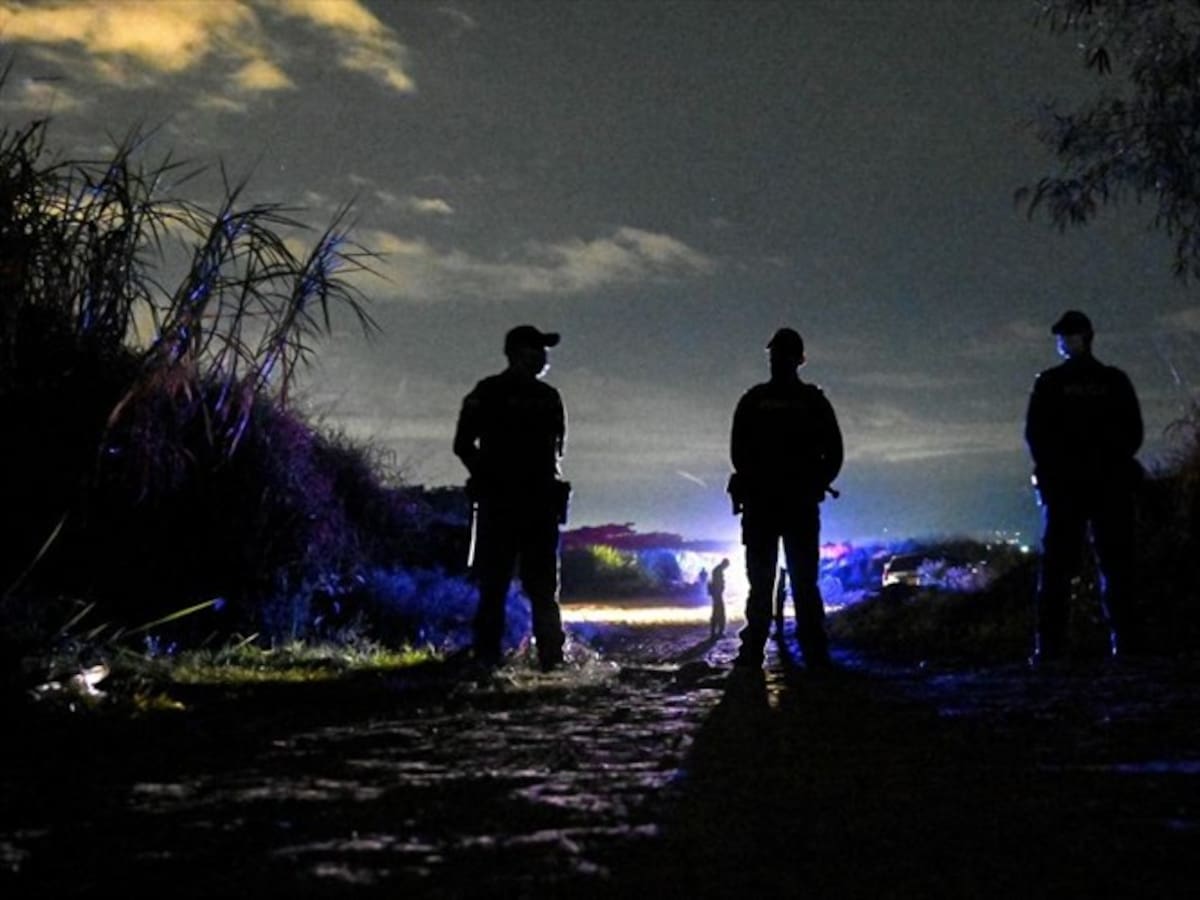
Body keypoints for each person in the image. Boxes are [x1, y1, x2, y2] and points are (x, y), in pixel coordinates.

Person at [1024, 309, 1144, 664]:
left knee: (1062, 570)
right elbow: (1132, 433)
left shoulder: (1051, 383)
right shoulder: (1113, 381)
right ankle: (1124, 645)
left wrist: (1053, 472)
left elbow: (1036, 436)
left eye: (1067, 336)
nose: (1062, 342)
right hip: (1104, 486)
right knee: (1114, 567)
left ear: (1082, 337)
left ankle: (1052, 650)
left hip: (1070, 489)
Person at [453, 324, 570, 671]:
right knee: (509, 587)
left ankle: (528, 658)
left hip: (524, 504)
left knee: (521, 587)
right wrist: (490, 478)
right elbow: (463, 445)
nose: (544, 356)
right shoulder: (495, 393)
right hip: (510, 504)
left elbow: (463, 445)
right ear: (518, 352)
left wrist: (487, 476)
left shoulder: (542, 396)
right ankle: (536, 660)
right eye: (537, 349)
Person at [727, 327, 843, 671]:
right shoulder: (812, 401)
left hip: (772, 505)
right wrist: (815, 481)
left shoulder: (755, 400)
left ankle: (758, 652)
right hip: (793, 505)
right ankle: (811, 652)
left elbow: (738, 453)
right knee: (797, 582)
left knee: (773, 584)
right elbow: (834, 454)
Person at [709, 558, 730, 639]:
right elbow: (718, 583)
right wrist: (718, 592)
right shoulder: (718, 571)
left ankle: (714, 632)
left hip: (716, 595)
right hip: (717, 595)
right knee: (720, 613)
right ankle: (718, 632)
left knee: (716, 613)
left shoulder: (717, 570)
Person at [773, 566, 788, 636]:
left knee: (778, 612)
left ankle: (779, 631)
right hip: (779, 596)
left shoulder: (781, 581)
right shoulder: (782, 581)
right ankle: (779, 631)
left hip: (779, 597)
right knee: (779, 613)